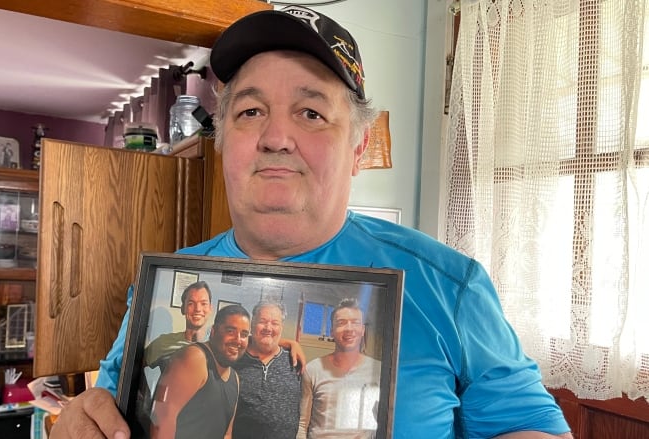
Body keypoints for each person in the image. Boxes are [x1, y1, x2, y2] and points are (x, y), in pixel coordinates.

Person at [50, 5, 573, 438]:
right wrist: (76, 421)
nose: (276, 137)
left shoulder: (450, 286)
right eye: (250, 112)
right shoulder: (163, 283)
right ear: (223, 140)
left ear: (359, 147)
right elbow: (106, 412)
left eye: (311, 113)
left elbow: (530, 426)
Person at [149, 304, 250, 439]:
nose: (238, 340)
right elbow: (162, 419)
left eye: (244, 335)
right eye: (230, 331)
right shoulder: (195, 358)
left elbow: (226, 434)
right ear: (213, 331)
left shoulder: (234, 378)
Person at [297, 299, 380, 438]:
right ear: (331, 332)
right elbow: (302, 424)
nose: (349, 328)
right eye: (341, 323)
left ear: (363, 330)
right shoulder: (313, 369)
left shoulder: (378, 370)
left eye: (355, 322)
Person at [232, 302, 301, 439]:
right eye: (262, 322)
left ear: (281, 328)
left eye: (275, 323)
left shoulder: (295, 361)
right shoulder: (235, 359)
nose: (268, 328)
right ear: (252, 325)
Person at [144, 280, 213, 370]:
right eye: (191, 303)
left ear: (210, 309)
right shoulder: (163, 343)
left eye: (203, 304)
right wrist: (145, 384)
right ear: (183, 309)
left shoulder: (218, 347)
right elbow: (133, 365)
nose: (198, 309)